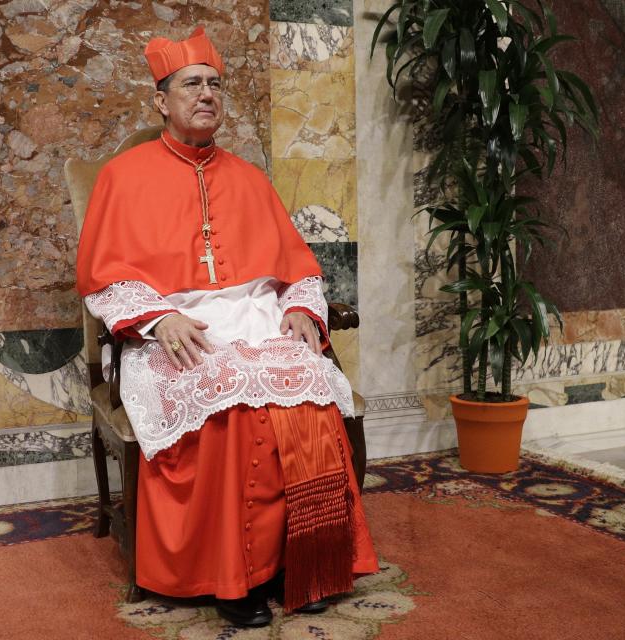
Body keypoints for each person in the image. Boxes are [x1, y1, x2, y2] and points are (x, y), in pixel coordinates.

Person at [75, 26, 379, 628]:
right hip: (174, 329)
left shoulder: (248, 177)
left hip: (257, 320)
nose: (207, 94)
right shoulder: (122, 176)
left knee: (307, 399)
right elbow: (104, 277)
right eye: (192, 84)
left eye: (215, 84)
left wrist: (298, 306)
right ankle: (232, 578)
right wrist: (158, 319)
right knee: (232, 412)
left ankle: (301, 561)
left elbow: (294, 264)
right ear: (162, 100)